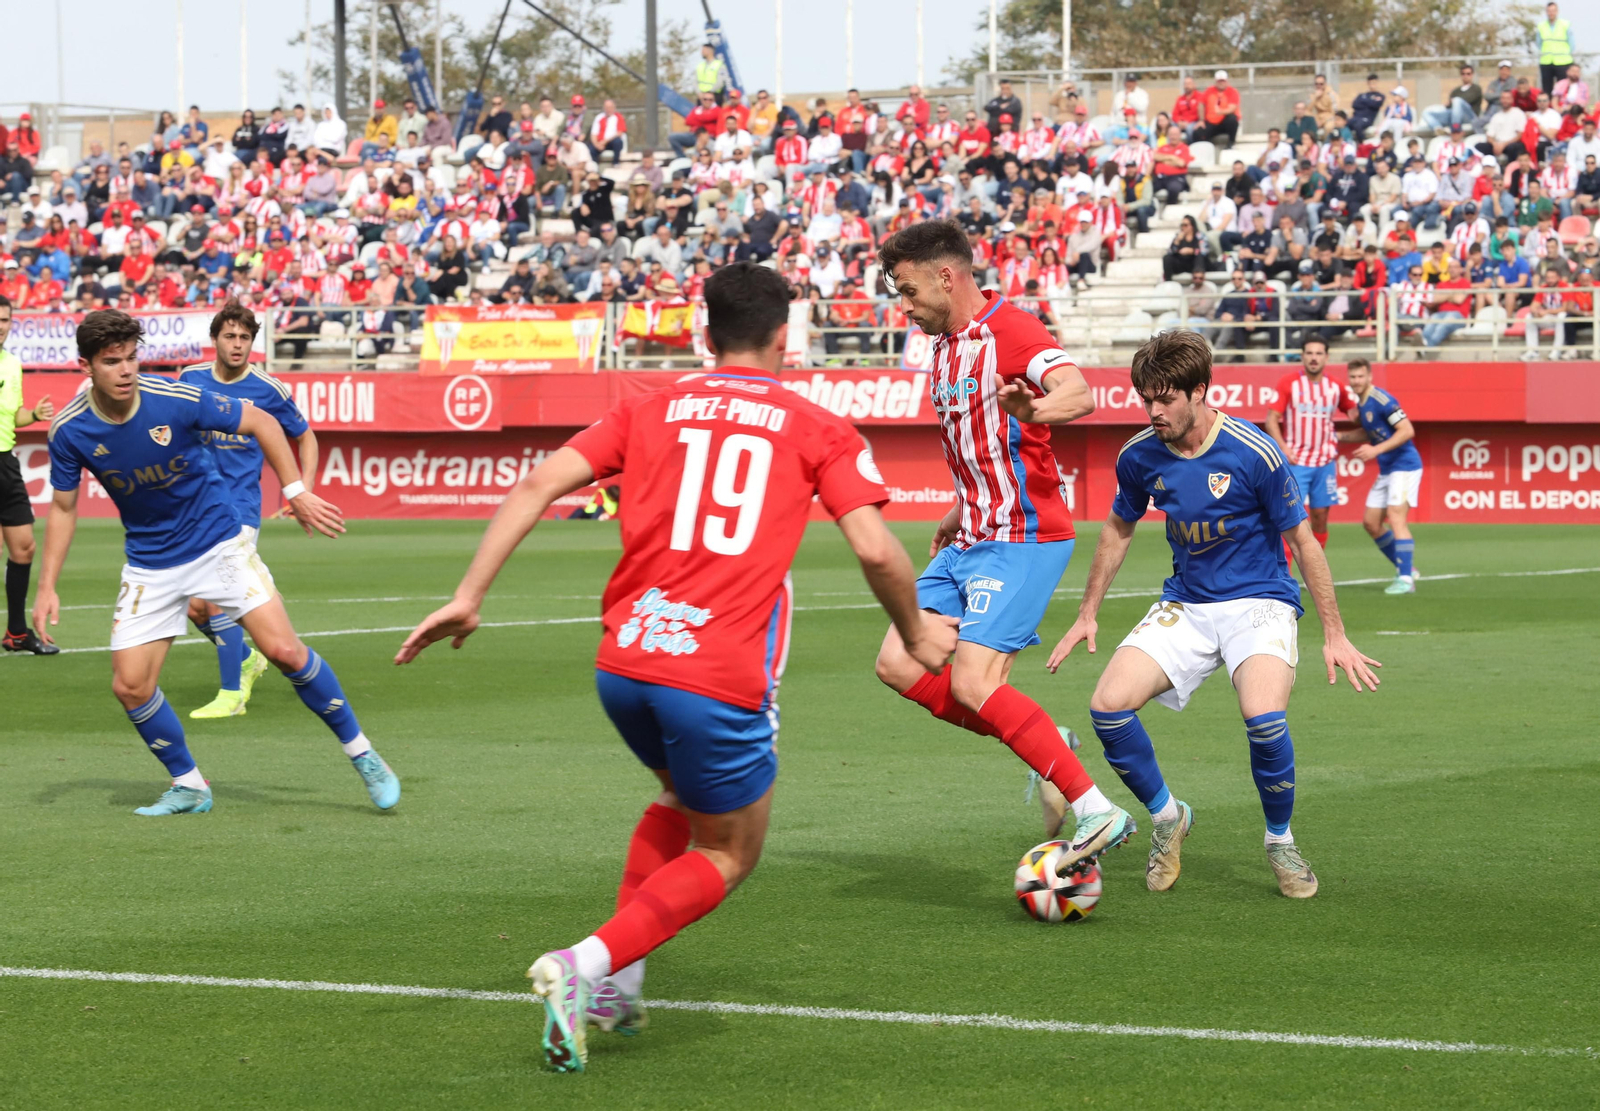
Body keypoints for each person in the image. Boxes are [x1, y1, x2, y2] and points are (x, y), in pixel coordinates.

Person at [396, 261, 958, 1071]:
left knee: (674, 795)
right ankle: (582, 967)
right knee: (730, 850)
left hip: (623, 663)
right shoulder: (815, 424)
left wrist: (469, 594)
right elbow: (875, 548)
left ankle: (619, 991)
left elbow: (536, 483)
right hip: (716, 672)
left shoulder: (649, 406)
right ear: (783, 336)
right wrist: (911, 631)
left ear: (704, 332)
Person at [1048, 329, 1379, 900]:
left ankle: (1280, 840)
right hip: (1188, 603)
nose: (1153, 411)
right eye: (1145, 398)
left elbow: (1303, 541)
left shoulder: (1253, 452)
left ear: (1199, 391)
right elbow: (1118, 528)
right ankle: (1167, 816)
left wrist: (1336, 634)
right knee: (1107, 706)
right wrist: (1087, 612)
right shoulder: (1139, 454)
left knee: (1263, 717)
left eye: (1166, 399)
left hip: (1260, 601)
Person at [34, 309, 400, 816]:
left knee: (285, 652)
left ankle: (363, 755)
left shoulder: (174, 397)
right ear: (86, 366)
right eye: (112, 361)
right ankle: (189, 785)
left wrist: (295, 491)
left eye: (132, 358)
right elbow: (63, 506)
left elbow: (263, 421)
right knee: (130, 686)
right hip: (150, 563)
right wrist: (47, 585)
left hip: (218, 544)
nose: (125, 370)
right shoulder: (70, 430)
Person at [868, 219, 1137, 861]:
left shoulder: (1011, 331)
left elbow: (1079, 393)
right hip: (973, 533)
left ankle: (1097, 811)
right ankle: (1049, 748)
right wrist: (959, 507)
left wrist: (1036, 410)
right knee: (899, 662)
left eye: (907, 291)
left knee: (971, 682)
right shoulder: (942, 347)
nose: (903, 308)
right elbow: (980, 443)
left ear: (947, 275)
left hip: (1023, 535)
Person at [174, 303, 318, 717]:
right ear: (215, 339)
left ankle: (231, 695)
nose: (238, 345)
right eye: (230, 336)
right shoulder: (190, 379)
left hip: (239, 508)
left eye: (245, 338)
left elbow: (305, 438)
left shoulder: (268, 389)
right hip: (196, 505)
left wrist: (301, 490)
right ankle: (246, 660)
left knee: (217, 598)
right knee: (196, 607)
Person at [0, 296, 59, 654]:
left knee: (24, 548)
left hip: (5, 463)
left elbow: (13, 416)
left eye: (5, 319)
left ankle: (17, 634)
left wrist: (34, 414)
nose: (1, 325)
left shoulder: (12, 364)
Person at [1264, 336, 1357, 553]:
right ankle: (1286, 577)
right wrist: (1284, 449)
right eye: (1309, 353)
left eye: (1318, 354)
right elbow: (1271, 420)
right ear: (1302, 356)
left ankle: (1315, 569)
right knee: (1291, 520)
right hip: (1296, 462)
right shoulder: (1289, 383)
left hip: (1325, 463)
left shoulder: (1336, 386)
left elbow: (1355, 414)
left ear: (1326, 357)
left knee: (1320, 518)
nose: (1314, 358)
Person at [1336, 359, 1421, 595]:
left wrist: (1375, 450)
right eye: (1353, 377)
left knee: (1396, 517)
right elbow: (1368, 432)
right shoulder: (1361, 404)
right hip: (1388, 468)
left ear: (1370, 377)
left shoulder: (1383, 400)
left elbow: (1407, 430)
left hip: (1404, 466)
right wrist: (1338, 437)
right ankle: (1406, 567)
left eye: (1361, 377)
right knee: (1371, 523)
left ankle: (1405, 579)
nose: (1356, 381)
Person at [1536, 2, 1574, 96]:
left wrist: (1565, 53)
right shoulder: (1541, 26)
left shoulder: (1565, 24)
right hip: (1546, 61)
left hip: (1563, 61)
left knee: (1563, 88)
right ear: (1546, 12)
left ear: (1557, 11)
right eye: (1549, 11)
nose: (1551, 13)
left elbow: (1572, 44)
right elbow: (1538, 43)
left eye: (1553, 11)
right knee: (1547, 89)